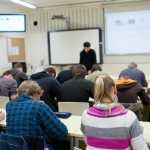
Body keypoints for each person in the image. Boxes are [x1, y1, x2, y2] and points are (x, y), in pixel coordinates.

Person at [81, 76, 149, 150]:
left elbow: (87, 142)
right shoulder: (129, 117)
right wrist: (139, 134)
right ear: (115, 90)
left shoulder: (86, 114)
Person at [6, 80, 68, 150]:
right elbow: (62, 132)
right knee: (65, 144)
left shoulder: (9, 105)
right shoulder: (40, 106)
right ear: (36, 93)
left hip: (14, 147)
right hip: (36, 147)